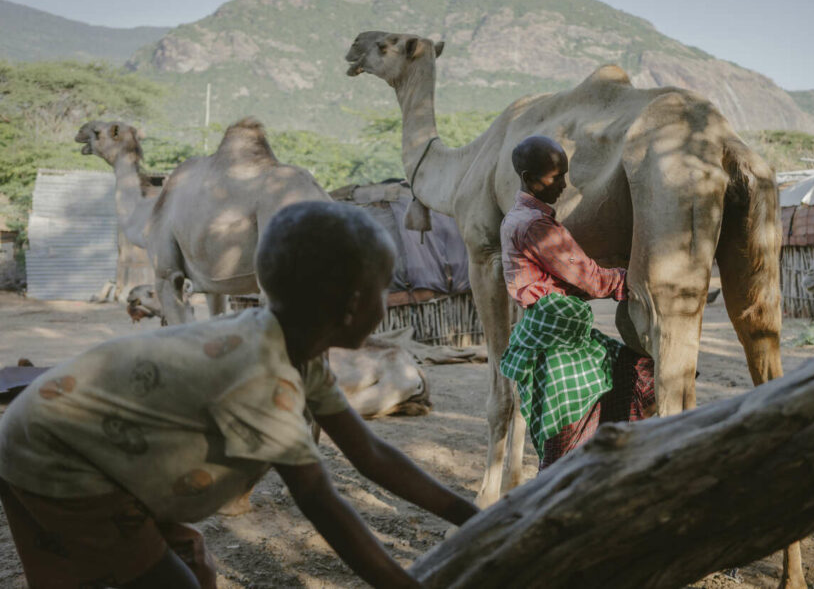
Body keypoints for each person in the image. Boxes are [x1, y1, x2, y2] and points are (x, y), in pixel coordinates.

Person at [0, 201, 478, 589]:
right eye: (381, 288)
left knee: (191, 568)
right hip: (59, 455)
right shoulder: (261, 376)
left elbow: (370, 452)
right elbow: (320, 501)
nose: (383, 302)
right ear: (352, 304)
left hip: (51, 434)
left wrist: (465, 515)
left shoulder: (292, 347)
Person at [499, 136, 655, 469]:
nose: (564, 184)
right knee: (567, 437)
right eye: (555, 177)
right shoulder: (537, 227)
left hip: (553, 337)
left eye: (564, 174)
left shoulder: (517, 218)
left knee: (624, 382)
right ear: (528, 178)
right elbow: (594, 280)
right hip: (559, 347)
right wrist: (639, 277)